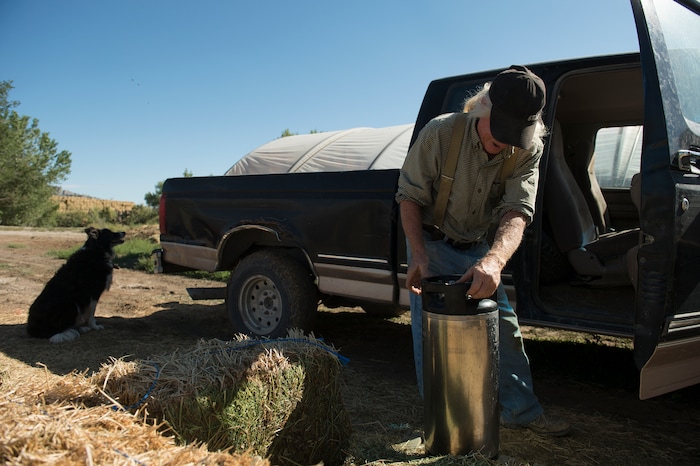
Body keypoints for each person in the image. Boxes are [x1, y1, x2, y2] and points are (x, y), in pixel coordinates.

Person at [395, 65, 571, 437]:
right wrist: (419, 256)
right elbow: (409, 197)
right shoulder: (440, 133)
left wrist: (493, 261)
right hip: (433, 244)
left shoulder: (528, 149)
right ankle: (441, 422)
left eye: (516, 133)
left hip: (479, 250)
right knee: (433, 336)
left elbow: (518, 211)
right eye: (500, 127)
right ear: (482, 106)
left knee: (504, 329)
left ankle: (521, 411)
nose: (506, 141)